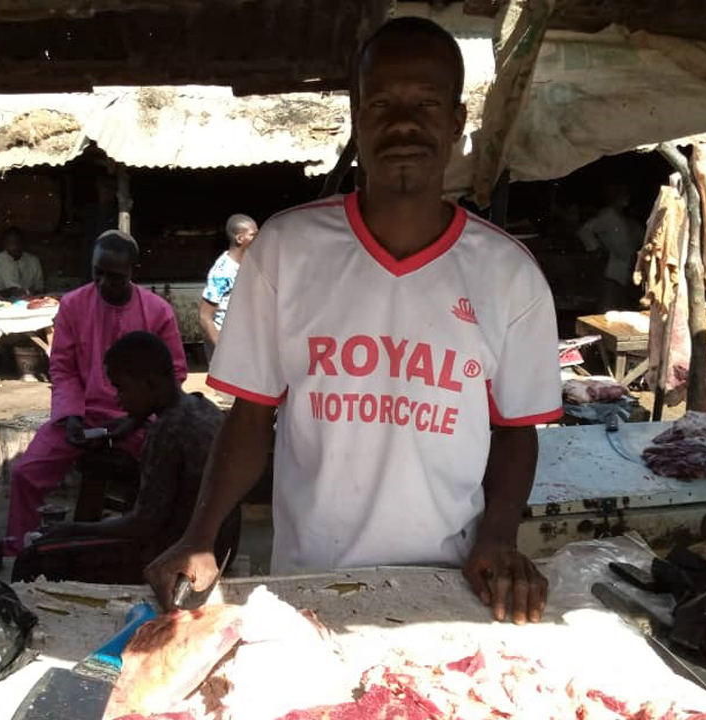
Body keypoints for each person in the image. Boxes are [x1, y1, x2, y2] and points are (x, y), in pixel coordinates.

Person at [146, 17, 562, 624]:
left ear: (455, 122)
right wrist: (200, 535)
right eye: (383, 104)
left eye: (426, 104)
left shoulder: (509, 273)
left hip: (451, 583)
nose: (403, 124)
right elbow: (253, 415)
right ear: (357, 115)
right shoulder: (285, 249)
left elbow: (515, 428)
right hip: (309, 579)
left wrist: (499, 536)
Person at [4, 230, 188, 555]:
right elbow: (62, 368)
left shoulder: (158, 312)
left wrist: (135, 418)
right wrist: (70, 416)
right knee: (24, 474)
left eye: (114, 277)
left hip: (139, 419)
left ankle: (151, 554)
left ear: (133, 272)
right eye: (97, 273)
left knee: (169, 478)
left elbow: (174, 374)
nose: (104, 283)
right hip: (82, 414)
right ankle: (22, 555)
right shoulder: (73, 305)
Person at [14, 331, 238, 583]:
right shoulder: (203, 408)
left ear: (151, 383)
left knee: (33, 558)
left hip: (178, 553)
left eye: (122, 389)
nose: (119, 401)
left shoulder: (166, 430)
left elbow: (142, 526)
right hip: (222, 544)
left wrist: (73, 529)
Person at [576, 183, 645, 310]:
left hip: (627, 271)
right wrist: (596, 249)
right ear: (612, 196)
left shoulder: (626, 219)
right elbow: (584, 230)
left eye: (626, 194)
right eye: (621, 194)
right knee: (607, 308)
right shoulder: (608, 215)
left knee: (623, 309)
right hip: (611, 270)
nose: (625, 197)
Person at [198, 214, 258, 359]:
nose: (258, 239)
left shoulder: (247, 264)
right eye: (253, 235)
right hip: (226, 345)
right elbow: (205, 316)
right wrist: (223, 351)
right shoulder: (223, 272)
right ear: (239, 239)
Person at [0, 227, 45, 298]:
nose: (15, 246)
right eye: (10, 242)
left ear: (23, 243)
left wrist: (31, 292)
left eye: (18, 242)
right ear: (4, 244)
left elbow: (40, 288)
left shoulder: (33, 260)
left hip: (30, 302)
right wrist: (11, 291)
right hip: (4, 304)